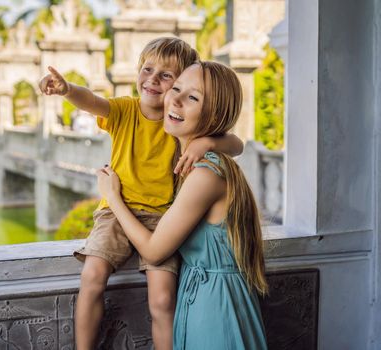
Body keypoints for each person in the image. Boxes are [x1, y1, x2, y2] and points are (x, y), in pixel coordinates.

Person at [39, 37, 244, 350]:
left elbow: (237, 144)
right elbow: (91, 100)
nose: (153, 79)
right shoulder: (123, 110)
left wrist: (208, 143)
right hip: (116, 212)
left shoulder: (178, 120)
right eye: (147, 69)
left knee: (162, 300)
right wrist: (68, 90)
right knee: (92, 277)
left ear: (180, 86)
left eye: (166, 76)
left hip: (163, 218)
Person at [97, 61, 268, 349]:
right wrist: (210, 142)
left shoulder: (205, 174)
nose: (173, 99)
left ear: (214, 113)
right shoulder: (196, 157)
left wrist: (112, 197)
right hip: (202, 296)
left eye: (192, 97)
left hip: (216, 307)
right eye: (176, 88)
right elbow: (235, 144)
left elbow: (153, 251)